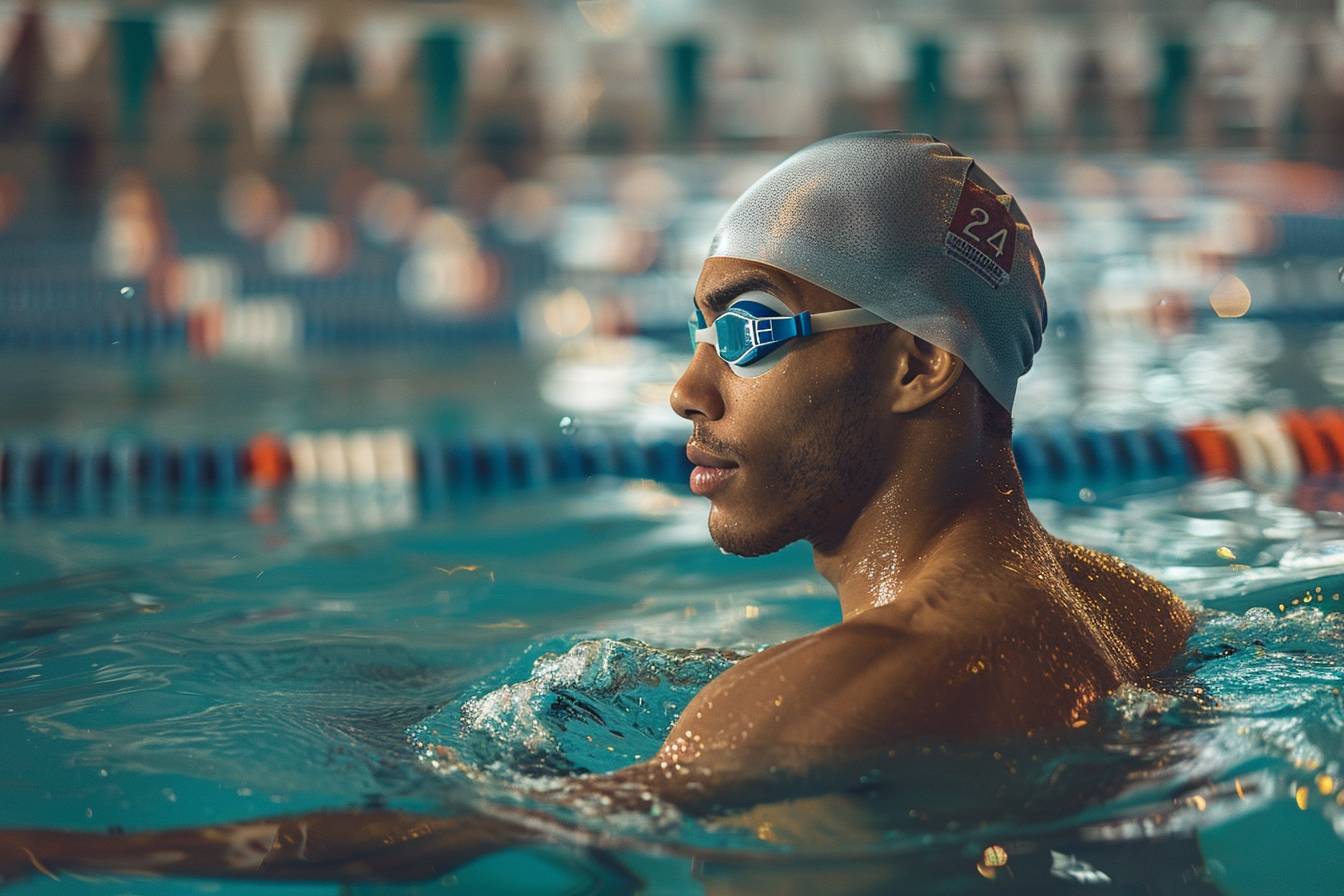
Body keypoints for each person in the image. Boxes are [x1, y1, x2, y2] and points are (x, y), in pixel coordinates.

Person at [0, 132, 1195, 887]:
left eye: (748, 330)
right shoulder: (1138, 613)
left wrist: (75, 853)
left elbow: (444, 842)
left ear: (918, 365)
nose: (688, 387)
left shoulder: (802, 704)